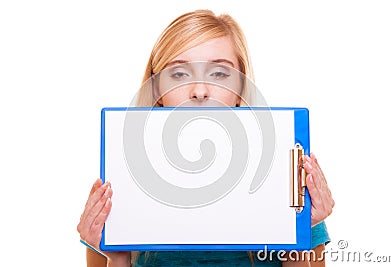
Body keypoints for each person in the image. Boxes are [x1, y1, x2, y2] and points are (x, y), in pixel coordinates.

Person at [77, 9, 334, 267]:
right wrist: (117, 257)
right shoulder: (119, 186)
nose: (199, 91)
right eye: (178, 74)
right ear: (157, 90)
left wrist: (300, 232)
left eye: (220, 74)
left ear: (241, 88)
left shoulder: (288, 184)